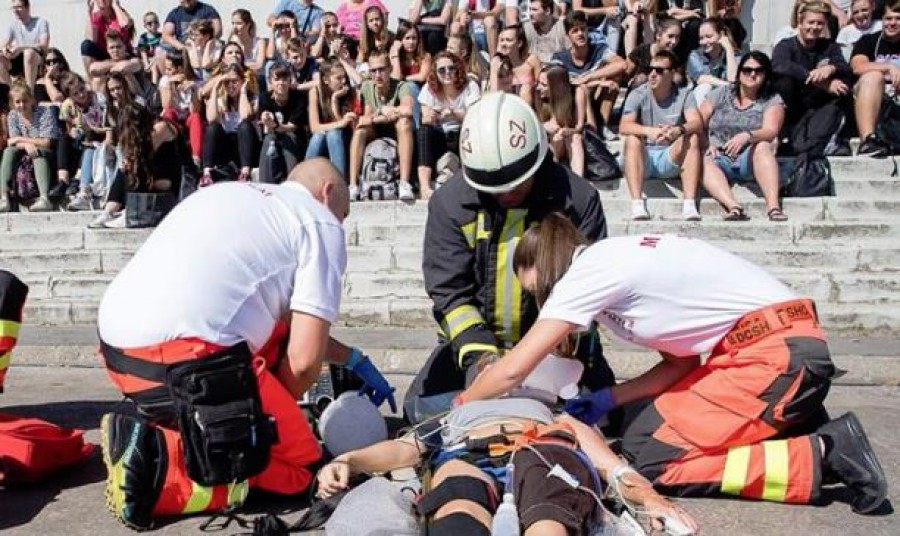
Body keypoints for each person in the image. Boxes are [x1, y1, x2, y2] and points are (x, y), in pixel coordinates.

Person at [458, 213, 889, 515]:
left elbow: (515, 369)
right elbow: (679, 366)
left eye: (536, 291)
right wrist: (607, 399)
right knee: (641, 423)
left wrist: (466, 403)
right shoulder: (615, 262)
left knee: (649, 456)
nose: (542, 302)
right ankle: (797, 421)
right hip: (782, 349)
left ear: (545, 267)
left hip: (773, 359)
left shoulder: (587, 273)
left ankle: (824, 454)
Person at [96, 158, 396, 529]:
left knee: (269, 339)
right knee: (305, 470)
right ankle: (159, 467)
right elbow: (303, 364)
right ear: (329, 192)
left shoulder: (234, 194)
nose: (342, 223)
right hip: (182, 364)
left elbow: (291, 328)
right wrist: (266, 421)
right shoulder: (319, 223)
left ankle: (182, 427)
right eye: (345, 213)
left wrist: (350, 358)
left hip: (120, 353)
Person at [406, 92, 614, 424]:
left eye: (516, 184)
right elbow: (451, 295)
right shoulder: (451, 205)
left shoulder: (577, 200)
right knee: (422, 413)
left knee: (598, 418)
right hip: (473, 347)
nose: (506, 194)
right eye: (494, 187)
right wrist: (483, 361)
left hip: (557, 348)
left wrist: (553, 353)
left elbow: (590, 290)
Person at [318, 396, 698, 535]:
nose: (495, 363)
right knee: (456, 496)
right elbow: (403, 450)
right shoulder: (454, 417)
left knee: (548, 512)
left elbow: (608, 463)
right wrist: (347, 460)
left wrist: (650, 499)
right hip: (467, 452)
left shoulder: (553, 412)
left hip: (541, 447)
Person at [700, 51, 787, 221]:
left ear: (766, 74)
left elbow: (771, 130)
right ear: (739, 73)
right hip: (719, 154)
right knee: (702, 158)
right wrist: (705, 143)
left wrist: (747, 136)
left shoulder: (772, 99)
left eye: (758, 70)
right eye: (747, 70)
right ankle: (733, 206)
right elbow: (698, 120)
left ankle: (773, 207)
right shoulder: (722, 93)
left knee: (763, 145)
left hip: (751, 157)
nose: (752, 74)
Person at [619, 50, 702, 221]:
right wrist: (649, 131)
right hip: (644, 156)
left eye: (659, 70)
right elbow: (624, 126)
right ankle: (637, 204)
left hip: (669, 156)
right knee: (632, 139)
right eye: (650, 69)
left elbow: (696, 123)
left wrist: (678, 130)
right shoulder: (638, 93)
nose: (653, 74)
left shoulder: (685, 94)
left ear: (672, 73)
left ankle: (689, 205)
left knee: (691, 137)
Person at [772, 0, 853, 156]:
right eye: (810, 22)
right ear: (800, 23)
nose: (814, 27)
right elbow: (779, 65)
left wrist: (831, 68)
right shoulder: (786, 45)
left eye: (819, 23)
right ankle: (784, 135)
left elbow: (845, 67)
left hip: (819, 104)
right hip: (794, 103)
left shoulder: (829, 46)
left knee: (843, 86)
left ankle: (839, 138)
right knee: (783, 83)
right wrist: (818, 80)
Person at [350, 50, 416, 200]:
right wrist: (383, 111)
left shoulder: (401, 86)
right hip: (377, 129)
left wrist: (387, 112)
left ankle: (405, 183)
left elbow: (407, 109)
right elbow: (365, 119)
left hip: (395, 130)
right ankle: (353, 185)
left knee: (404, 123)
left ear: (390, 69)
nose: (377, 75)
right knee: (360, 131)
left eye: (381, 69)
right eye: (373, 70)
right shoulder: (367, 87)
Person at [416, 52, 481, 200]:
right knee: (424, 131)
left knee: (473, 131)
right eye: (442, 70)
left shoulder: (470, 86)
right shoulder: (429, 88)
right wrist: (434, 116)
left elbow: (474, 115)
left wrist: (453, 113)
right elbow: (425, 117)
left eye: (451, 68)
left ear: (457, 69)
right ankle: (425, 187)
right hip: (440, 136)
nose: (447, 73)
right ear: (435, 73)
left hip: (462, 136)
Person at [552, 10, 626, 133]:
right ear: (567, 35)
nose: (580, 34)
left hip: (595, 100)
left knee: (614, 79)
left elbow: (621, 64)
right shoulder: (560, 58)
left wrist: (589, 77)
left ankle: (603, 126)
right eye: (575, 31)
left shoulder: (599, 49)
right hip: (572, 107)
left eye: (583, 29)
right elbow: (559, 84)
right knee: (581, 90)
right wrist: (597, 83)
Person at [850, 0, 900, 157]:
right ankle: (868, 140)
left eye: (898, 19)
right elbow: (857, 67)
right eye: (888, 19)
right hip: (874, 99)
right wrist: (888, 67)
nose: (892, 23)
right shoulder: (868, 41)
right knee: (873, 77)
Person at [0, 83, 58, 213]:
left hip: (47, 153)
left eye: (25, 101)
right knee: (9, 151)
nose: (21, 105)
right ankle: (4, 198)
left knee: (37, 153)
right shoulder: (13, 116)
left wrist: (21, 140)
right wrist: (26, 144)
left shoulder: (44, 112)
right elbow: (11, 142)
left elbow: (46, 142)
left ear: (32, 100)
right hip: (24, 151)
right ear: (13, 103)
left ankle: (44, 198)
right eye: (17, 102)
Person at [200, 64, 258, 184]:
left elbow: (245, 115)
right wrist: (216, 88)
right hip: (227, 146)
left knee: (245, 126)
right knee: (212, 128)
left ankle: (245, 172)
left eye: (235, 81)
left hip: (246, 146)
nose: (231, 85)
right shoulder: (221, 100)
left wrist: (242, 92)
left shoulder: (252, 98)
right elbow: (211, 119)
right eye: (227, 82)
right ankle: (207, 173)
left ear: (242, 81)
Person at [306, 58, 358, 179]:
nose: (344, 81)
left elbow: (346, 127)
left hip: (343, 141)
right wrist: (340, 123)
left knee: (333, 134)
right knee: (319, 135)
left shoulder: (348, 92)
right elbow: (315, 127)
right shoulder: (315, 92)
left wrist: (334, 100)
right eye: (338, 78)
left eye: (344, 77)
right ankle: (305, 179)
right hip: (322, 142)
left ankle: (339, 180)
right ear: (325, 80)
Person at [258, 64, 309, 184]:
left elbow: (291, 127)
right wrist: (266, 118)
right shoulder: (265, 97)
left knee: (288, 137)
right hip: (273, 137)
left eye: (285, 79)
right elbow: (265, 120)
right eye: (277, 79)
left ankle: (293, 181)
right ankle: (265, 184)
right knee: (269, 140)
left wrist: (274, 125)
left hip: (295, 139)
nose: (281, 83)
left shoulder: (299, 98)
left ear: (290, 81)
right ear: (270, 82)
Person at [537, 65, 588, 177]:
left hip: (570, 138)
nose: (538, 87)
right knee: (556, 138)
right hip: (551, 142)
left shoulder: (577, 92)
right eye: (538, 83)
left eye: (544, 85)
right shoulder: (538, 96)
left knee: (575, 138)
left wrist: (568, 130)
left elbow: (579, 126)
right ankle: (551, 177)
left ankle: (579, 179)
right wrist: (544, 126)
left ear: (557, 87)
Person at [686, 17, 739, 104]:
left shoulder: (733, 55)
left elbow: (733, 78)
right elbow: (701, 78)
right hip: (701, 101)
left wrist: (729, 48)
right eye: (701, 38)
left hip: (725, 100)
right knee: (705, 87)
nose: (704, 42)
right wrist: (728, 85)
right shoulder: (695, 55)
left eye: (709, 36)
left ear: (721, 35)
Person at [0, 0, 50, 91]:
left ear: (27, 8)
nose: (15, 11)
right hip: (18, 60)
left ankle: (29, 92)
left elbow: (44, 45)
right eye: (14, 8)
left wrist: (21, 48)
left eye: (18, 7)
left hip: (37, 60)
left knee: (28, 53)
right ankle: (12, 93)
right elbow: (4, 43)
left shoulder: (41, 22)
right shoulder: (13, 26)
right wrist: (5, 49)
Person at [80, 0, 134, 78]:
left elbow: (125, 25)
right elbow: (91, 40)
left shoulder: (119, 14)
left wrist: (115, 6)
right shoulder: (96, 17)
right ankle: (91, 80)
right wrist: (89, 14)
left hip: (122, 52)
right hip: (105, 53)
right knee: (85, 45)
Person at [495, 24, 542, 107]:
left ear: (519, 43)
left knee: (525, 89)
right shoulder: (498, 64)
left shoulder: (532, 60)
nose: (504, 44)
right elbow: (494, 94)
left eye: (508, 40)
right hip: (508, 107)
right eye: (502, 40)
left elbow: (541, 86)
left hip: (530, 107)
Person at [521, 0, 570, 66]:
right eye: (530, 9)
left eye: (534, 10)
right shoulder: (526, 28)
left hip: (558, 70)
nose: (530, 14)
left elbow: (571, 54)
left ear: (547, 11)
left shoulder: (563, 27)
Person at [138, 11, 162, 84]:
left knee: (154, 66)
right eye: (149, 23)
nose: (153, 25)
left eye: (155, 22)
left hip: (157, 59)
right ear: (145, 25)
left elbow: (161, 51)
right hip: (147, 59)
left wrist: (154, 60)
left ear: (159, 24)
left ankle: (154, 85)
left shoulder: (161, 36)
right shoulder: (143, 37)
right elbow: (143, 51)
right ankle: (154, 86)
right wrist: (146, 63)